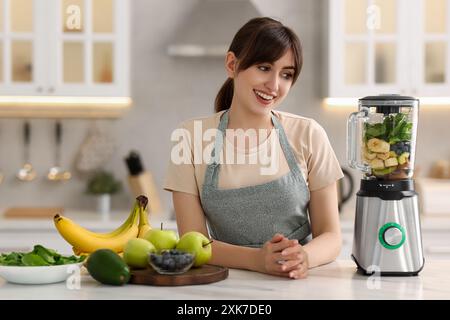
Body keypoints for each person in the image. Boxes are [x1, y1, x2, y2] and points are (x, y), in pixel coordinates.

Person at [164, 17, 344, 279]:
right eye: (263, 67)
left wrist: (303, 257)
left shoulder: (309, 133)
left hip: (297, 282)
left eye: (286, 74)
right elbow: (194, 242)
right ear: (232, 64)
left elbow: (331, 236)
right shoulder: (191, 137)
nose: (274, 85)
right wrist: (257, 260)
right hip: (224, 284)